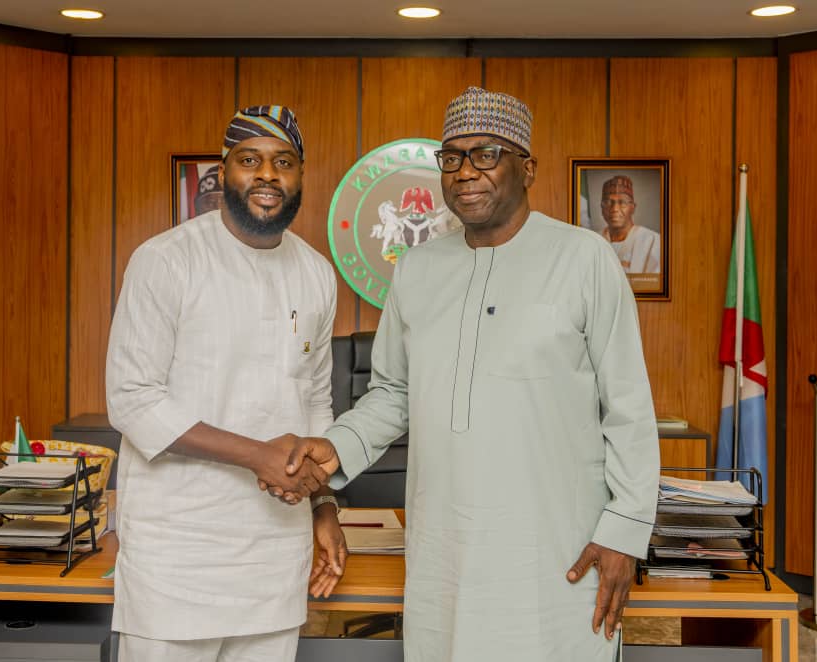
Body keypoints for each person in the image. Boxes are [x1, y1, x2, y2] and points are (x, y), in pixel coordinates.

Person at [266, 87, 660, 661]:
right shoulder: (419, 269)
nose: (465, 172)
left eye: (486, 154)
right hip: (444, 549)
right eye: (451, 158)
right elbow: (392, 393)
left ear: (526, 167)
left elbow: (626, 406)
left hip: (556, 550)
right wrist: (335, 448)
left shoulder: (584, 259)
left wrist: (623, 529)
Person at [106, 105, 346, 662]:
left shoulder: (316, 273)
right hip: (178, 553)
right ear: (224, 170)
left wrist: (324, 508)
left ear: (301, 174)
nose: (267, 175)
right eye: (250, 160)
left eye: (283, 162)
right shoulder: (166, 261)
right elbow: (132, 400)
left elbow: (314, 399)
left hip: (273, 553)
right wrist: (257, 454)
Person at [599, 174, 661, 274]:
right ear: (601, 208)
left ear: (633, 207)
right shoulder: (593, 239)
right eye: (608, 202)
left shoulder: (653, 241)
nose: (615, 209)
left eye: (622, 202)